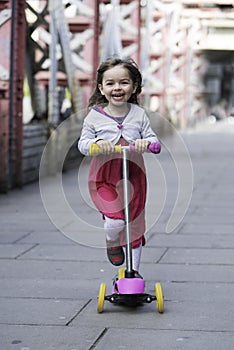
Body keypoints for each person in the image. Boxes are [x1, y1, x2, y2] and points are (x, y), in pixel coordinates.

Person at [78, 57, 160, 276]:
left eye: (124, 82)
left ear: (134, 87)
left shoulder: (139, 115)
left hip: (134, 174)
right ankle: (111, 239)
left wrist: (148, 143)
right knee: (115, 219)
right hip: (104, 176)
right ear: (101, 88)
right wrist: (96, 144)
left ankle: (133, 273)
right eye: (110, 83)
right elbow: (82, 144)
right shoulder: (95, 116)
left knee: (134, 222)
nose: (117, 88)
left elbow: (154, 141)